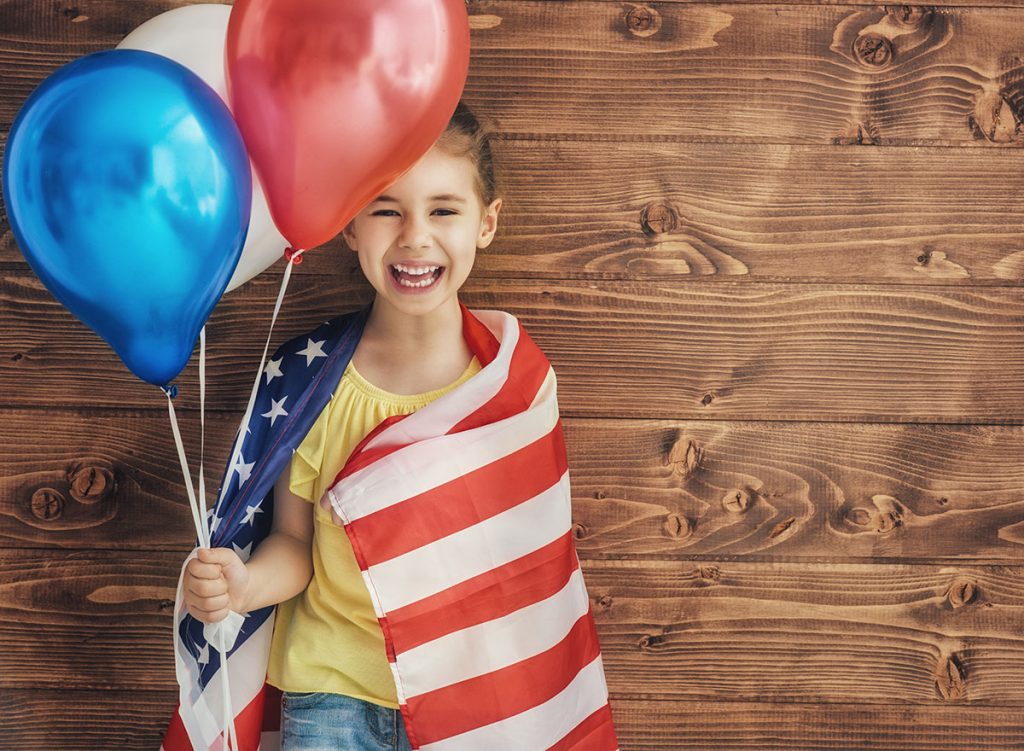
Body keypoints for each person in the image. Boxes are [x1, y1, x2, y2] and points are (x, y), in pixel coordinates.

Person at [178, 101, 618, 751]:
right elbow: (295, 545)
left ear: (487, 223)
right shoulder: (310, 386)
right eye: (387, 210)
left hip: (472, 700)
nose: (415, 237)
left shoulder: (512, 388)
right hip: (330, 695)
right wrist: (244, 585)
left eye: (444, 210)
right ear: (351, 226)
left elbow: (530, 574)